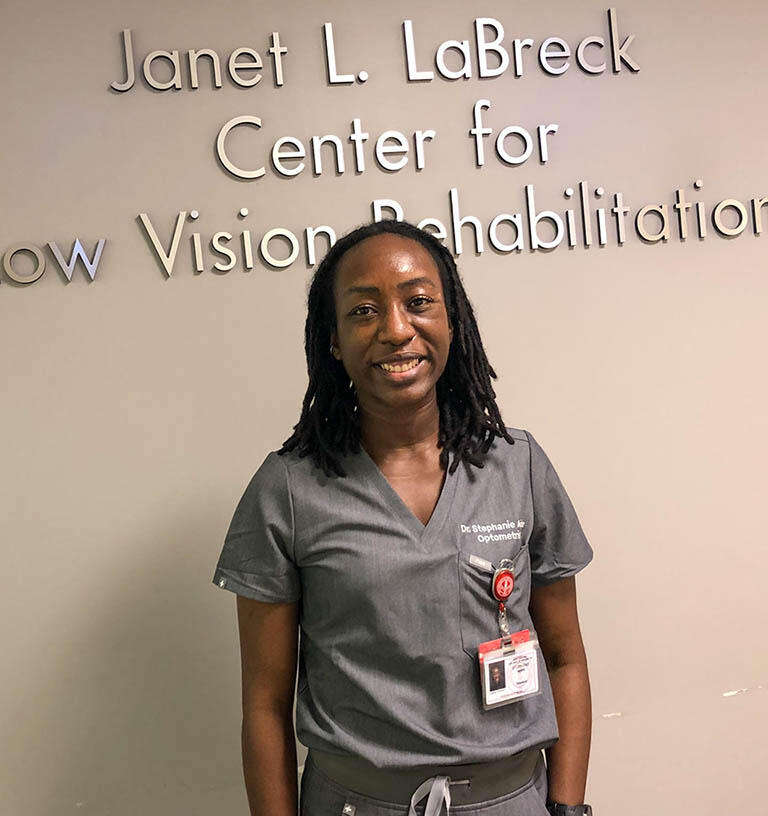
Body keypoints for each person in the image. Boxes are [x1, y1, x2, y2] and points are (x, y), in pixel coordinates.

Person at [213, 219, 594, 816]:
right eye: (363, 311)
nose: (396, 329)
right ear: (333, 338)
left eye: (418, 302)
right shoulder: (288, 489)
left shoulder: (517, 466)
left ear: (451, 321)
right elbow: (264, 703)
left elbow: (565, 657)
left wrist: (569, 807)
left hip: (514, 801)